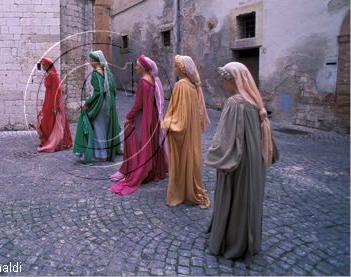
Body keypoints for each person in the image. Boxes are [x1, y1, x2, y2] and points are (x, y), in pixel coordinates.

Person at [205, 62, 278, 263]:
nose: (222, 84)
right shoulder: (255, 101)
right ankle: (247, 241)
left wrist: (217, 158)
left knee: (235, 197)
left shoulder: (235, 103)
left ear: (233, 81)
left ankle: (231, 241)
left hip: (238, 161)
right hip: (253, 160)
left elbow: (226, 139)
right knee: (248, 197)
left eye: (224, 80)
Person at [110, 55, 167, 195]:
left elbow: (138, 104)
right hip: (152, 116)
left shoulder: (143, 82)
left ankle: (136, 168)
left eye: (137, 65)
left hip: (144, 117)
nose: (136, 67)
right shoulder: (153, 80)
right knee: (150, 143)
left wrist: (129, 117)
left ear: (143, 67)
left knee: (133, 137)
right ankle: (152, 170)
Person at [161, 55, 210, 208]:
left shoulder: (181, 85)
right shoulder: (193, 85)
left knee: (182, 159)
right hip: (191, 130)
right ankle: (189, 186)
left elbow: (179, 117)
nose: (174, 69)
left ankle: (181, 191)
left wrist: (168, 123)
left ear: (182, 69)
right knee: (191, 156)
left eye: (176, 66)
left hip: (183, 130)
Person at [73, 50, 122, 163]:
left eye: (91, 60)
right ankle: (107, 151)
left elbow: (97, 92)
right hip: (109, 104)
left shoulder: (95, 73)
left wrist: (87, 103)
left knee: (98, 128)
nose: (90, 62)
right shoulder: (108, 73)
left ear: (96, 61)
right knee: (105, 127)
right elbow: (113, 90)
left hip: (99, 105)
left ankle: (101, 154)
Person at [36, 57, 73, 152]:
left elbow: (58, 90)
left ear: (47, 65)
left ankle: (55, 142)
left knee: (50, 120)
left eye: (44, 65)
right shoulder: (48, 74)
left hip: (52, 101)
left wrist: (56, 105)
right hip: (47, 100)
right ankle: (47, 139)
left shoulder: (53, 75)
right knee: (45, 120)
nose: (42, 67)